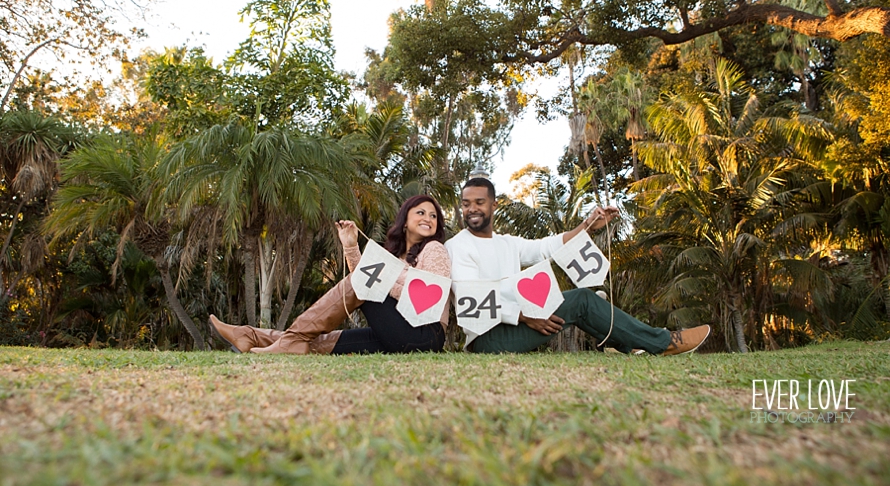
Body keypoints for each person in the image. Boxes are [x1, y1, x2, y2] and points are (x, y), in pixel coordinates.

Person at [446, 177, 711, 355]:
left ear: (493, 205)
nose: (472, 209)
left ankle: (632, 344)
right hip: (487, 338)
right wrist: (526, 316)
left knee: (584, 302)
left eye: (479, 202)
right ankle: (664, 342)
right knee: (582, 301)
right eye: (466, 204)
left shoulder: (506, 243)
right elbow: (472, 299)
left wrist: (586, 226)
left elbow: (546, 247)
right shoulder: (458, 246)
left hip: (516, 324)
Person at [209, 195, 451, 355]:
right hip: (397, 333)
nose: (428, 219)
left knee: (365, 281)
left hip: (424, 334)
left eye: (433, 216)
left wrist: (382, 281)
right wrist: (350, 246)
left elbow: (429, 298)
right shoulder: (394, 255)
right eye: (421, 213)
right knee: (328, 342)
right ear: (405, 220)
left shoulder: (434, 249)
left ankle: (293, 337)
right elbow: (363, 285)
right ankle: (248, 335)